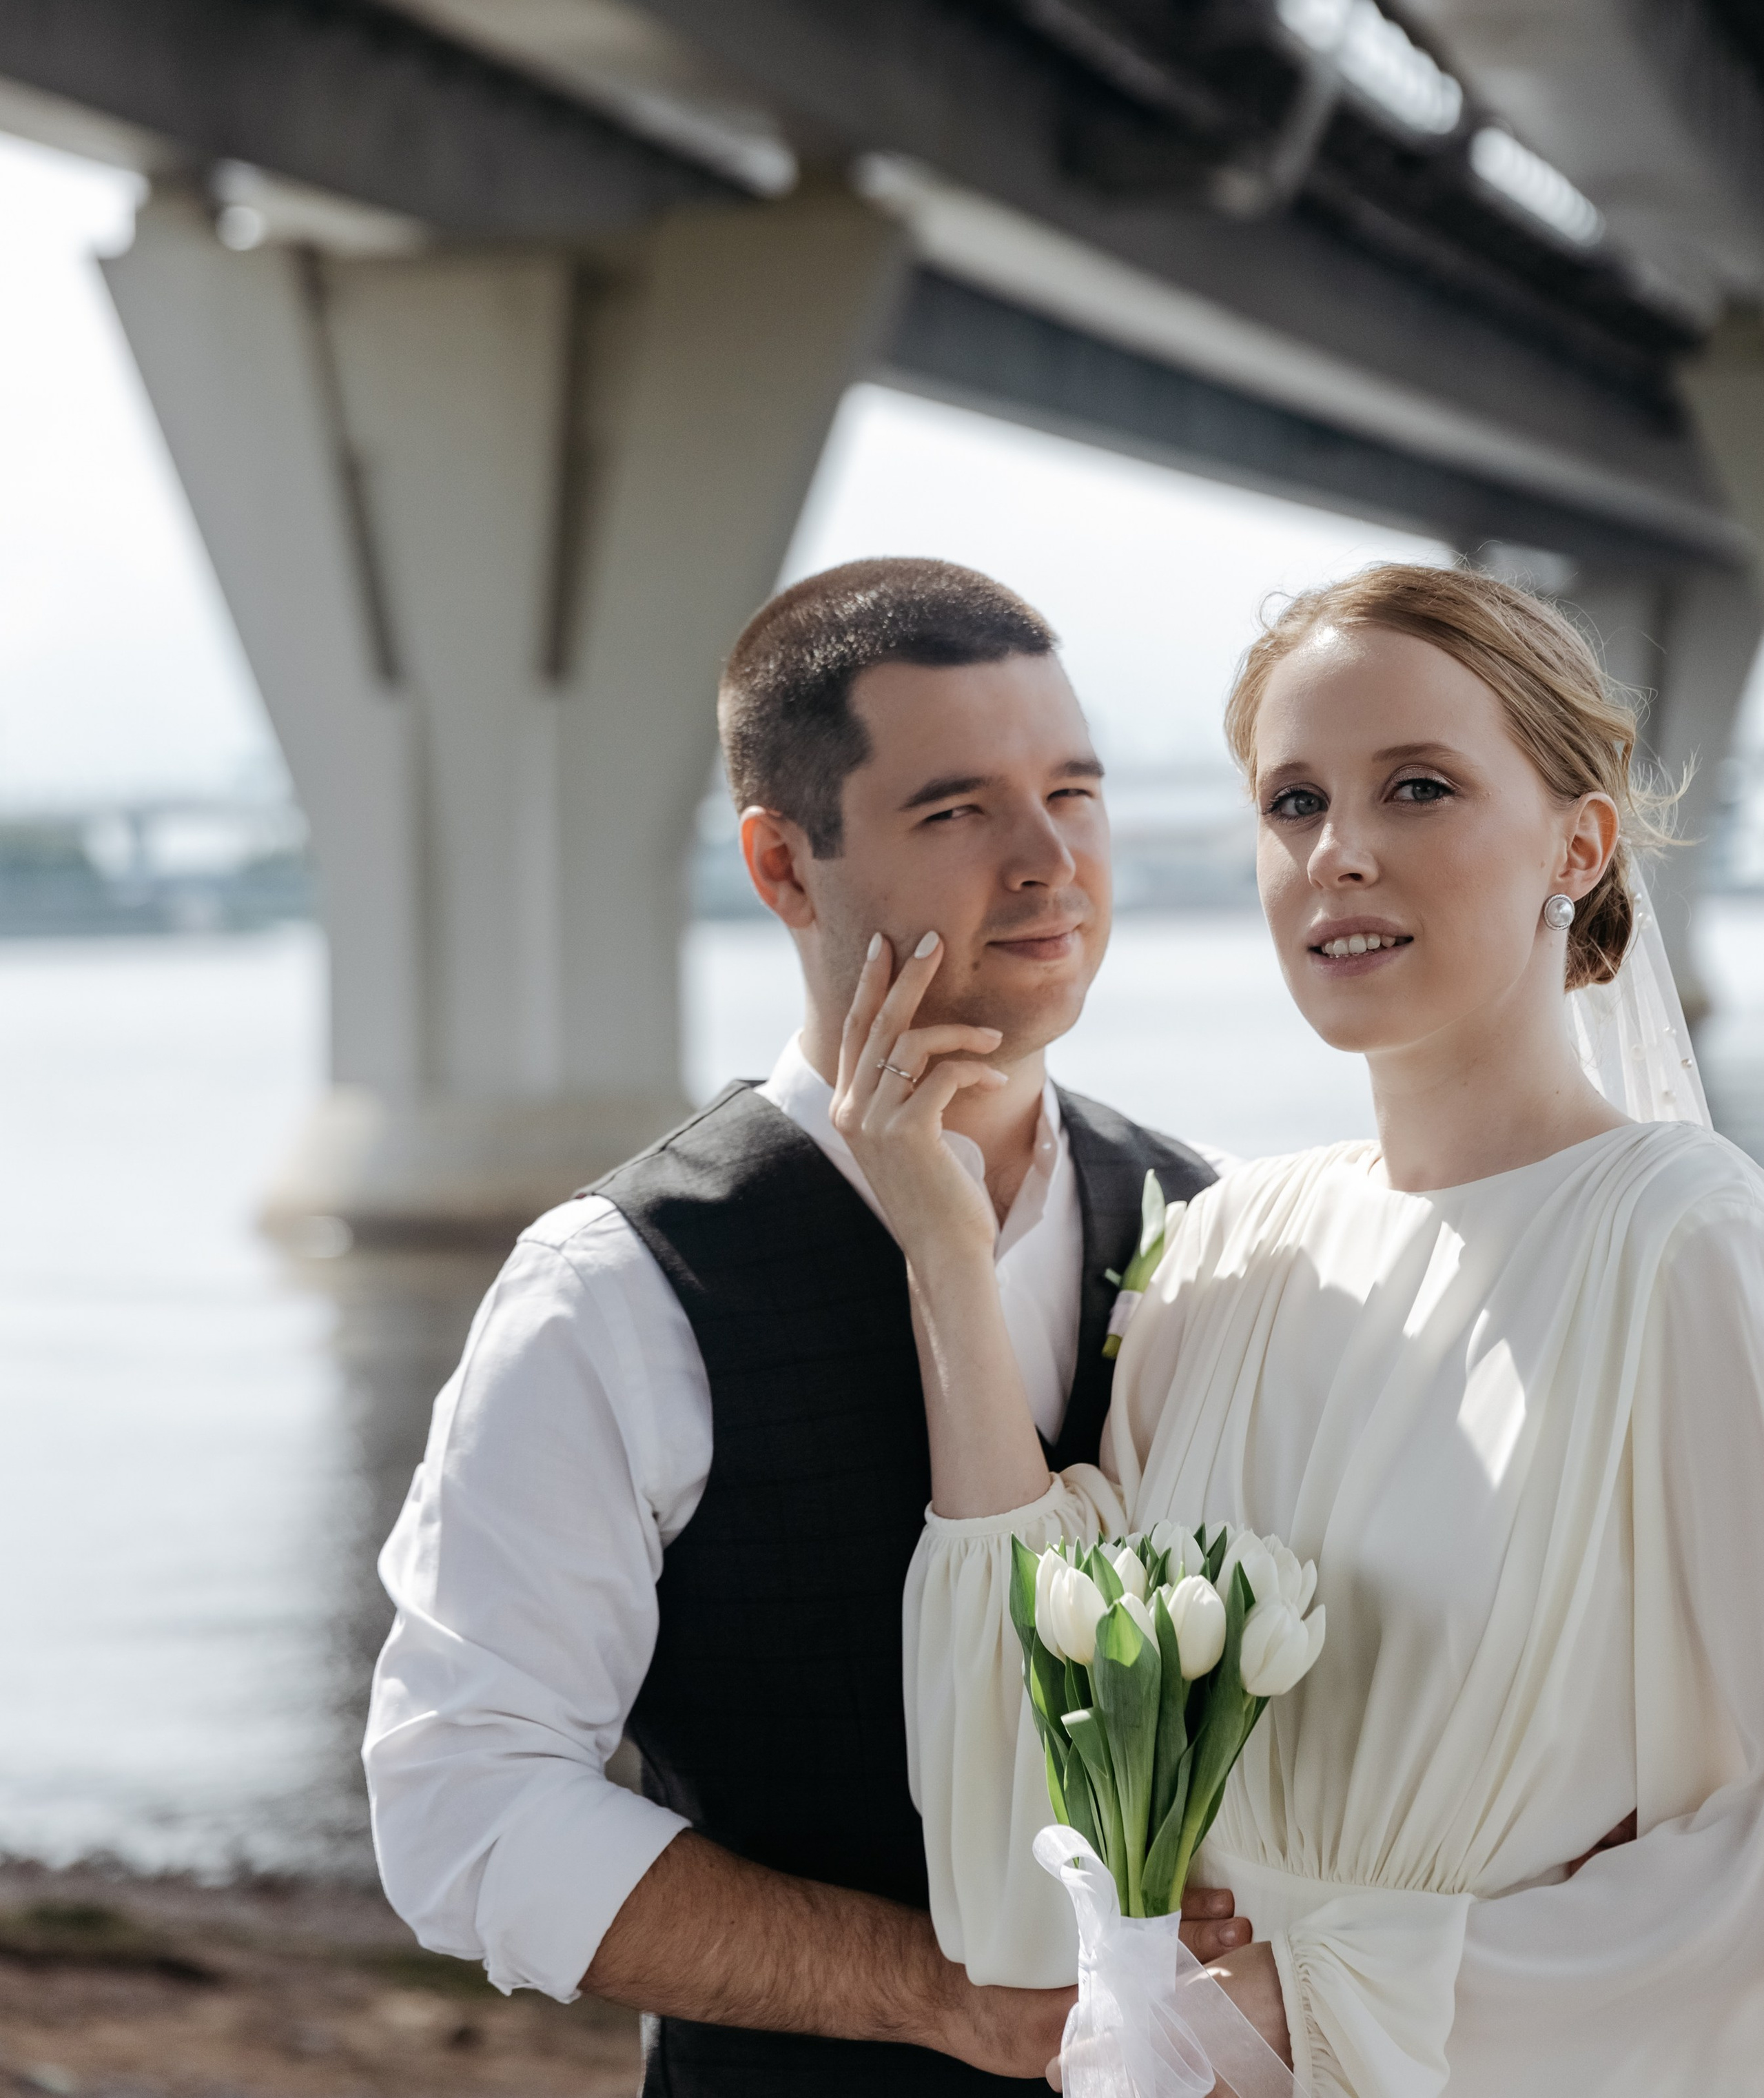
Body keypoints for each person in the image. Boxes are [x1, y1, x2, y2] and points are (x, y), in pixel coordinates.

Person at [840, 562, 1764, 2095]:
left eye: (1415, 787)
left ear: (1577, 839)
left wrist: (1317, 1986)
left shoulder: (1676, 1243)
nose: (1337, 854)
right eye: (1290, 802)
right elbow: (1026, 1818)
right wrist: (945, 1249)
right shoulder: (1225, 1250)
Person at [364, 557, 1247, 2094]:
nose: (1049, 861)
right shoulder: (619, 1286)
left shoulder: (1215, 1215)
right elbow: (465, 1805)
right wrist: (928, 1989)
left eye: (1075, 792)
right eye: (956, 809)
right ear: (783, 867)